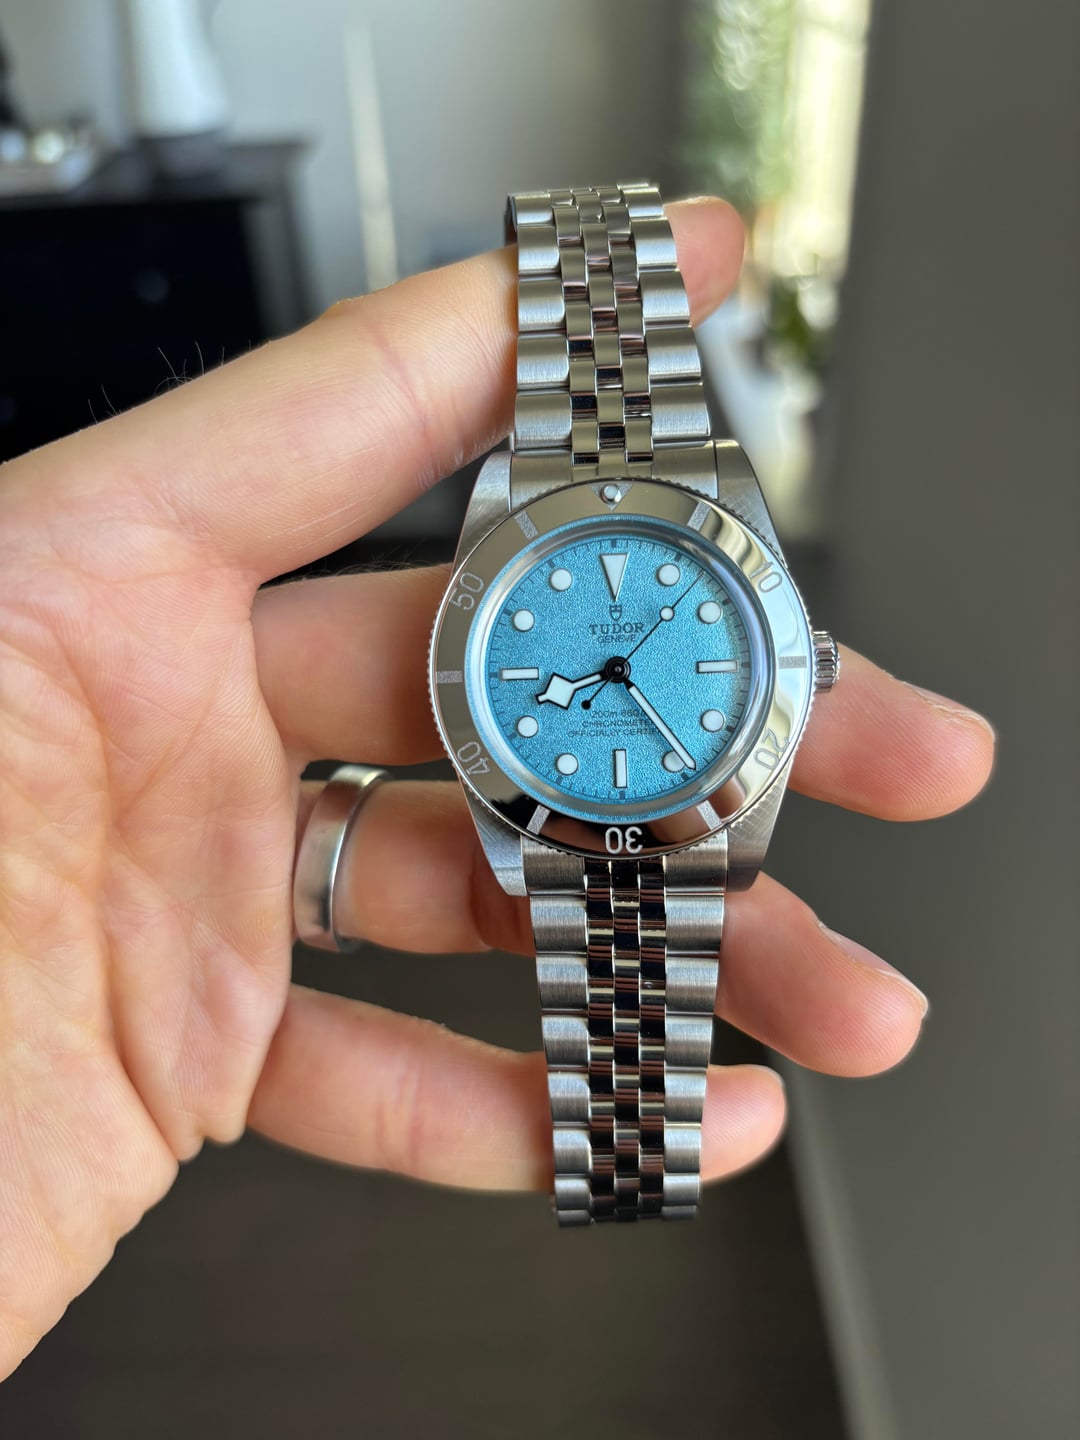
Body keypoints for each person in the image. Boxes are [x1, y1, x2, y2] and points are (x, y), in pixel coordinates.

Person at [0, 197, 994, 1378]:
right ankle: (628, 1153)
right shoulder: (592, 589)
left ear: (798, 659)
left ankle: (627, 1153)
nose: (617, 670)